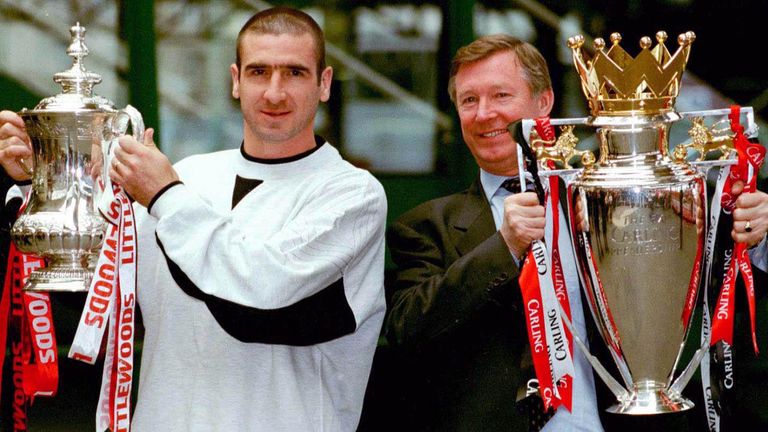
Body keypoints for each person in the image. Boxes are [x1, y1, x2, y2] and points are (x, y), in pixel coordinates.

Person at [0, 7, 387, 431]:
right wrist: (48, 184)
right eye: (259, 72)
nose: (275, 92)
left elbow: (257, 295)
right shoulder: (191, 175)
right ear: (236, 81)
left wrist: (164, 195)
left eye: (294, 73)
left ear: (324, 83)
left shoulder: (353, 195)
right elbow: (103, 291)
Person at [384, 34, 603, 431]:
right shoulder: (426, 226)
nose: (484, 113)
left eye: (501, 96)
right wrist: (503, 246)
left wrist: (751, 239)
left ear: (544, 102)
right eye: (469, 100)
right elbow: (404, 332)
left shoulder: (604, 202)